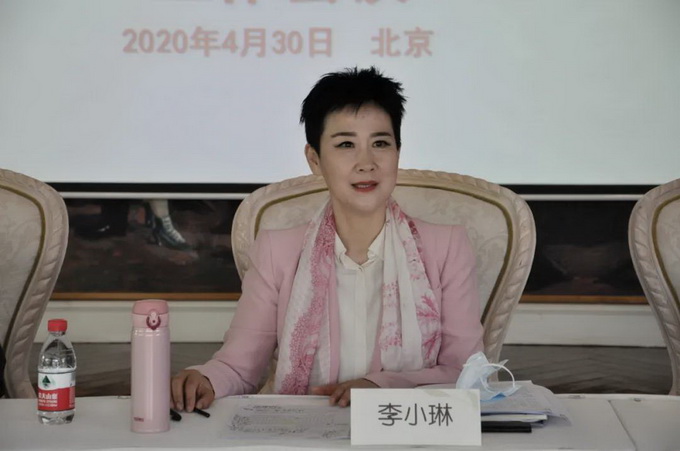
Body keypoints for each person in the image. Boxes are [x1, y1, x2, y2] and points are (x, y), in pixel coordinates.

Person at [171, 67, 483, 411]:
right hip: (304, 430)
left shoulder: (447, 247)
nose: (366, 163)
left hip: (404, 429)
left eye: (380, 143)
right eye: (346, 144)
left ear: (398, 151)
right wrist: (206, 379)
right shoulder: (278, 251)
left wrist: (380, 386)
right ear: (315, 159)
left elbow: (465, 373)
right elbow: (239, 366)